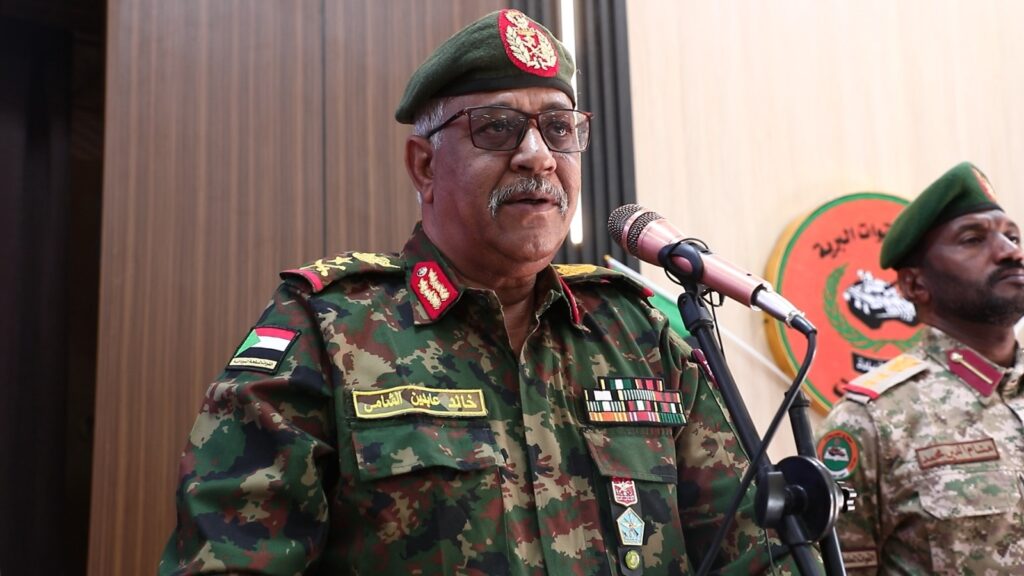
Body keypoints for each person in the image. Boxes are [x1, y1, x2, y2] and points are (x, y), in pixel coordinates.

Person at [160, 9, 803, 575]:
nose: (537, 156)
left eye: (559, 129)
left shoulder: (639, 336)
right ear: (424, 165)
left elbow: (755, 552)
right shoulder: (327, 331)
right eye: (496, 128)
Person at [815, 161, 1024, 574]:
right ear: (914, 285)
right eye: (973, 239)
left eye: (1012, 236)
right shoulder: (871, 421)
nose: (1011, 252)